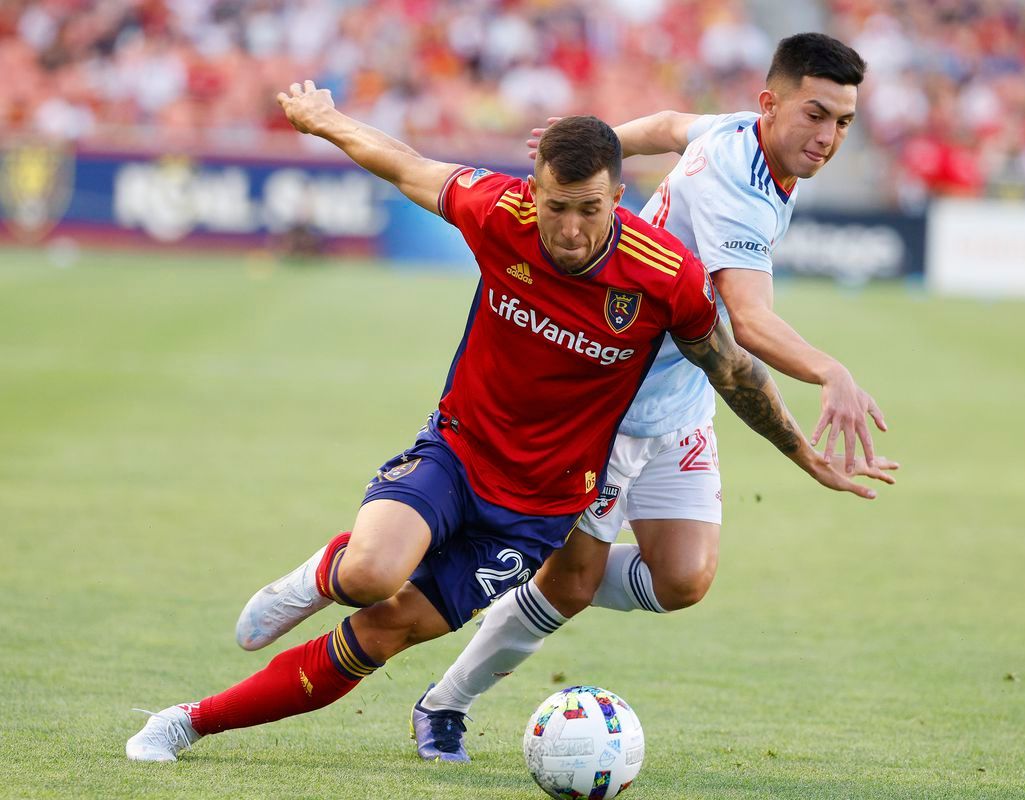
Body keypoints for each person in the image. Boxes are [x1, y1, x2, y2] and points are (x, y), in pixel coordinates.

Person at [125, 79, 893, 762]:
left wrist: (805, 455)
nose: (568, 230)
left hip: (536, 510)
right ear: (534, 190)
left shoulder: (667, 278)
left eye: (589, 211)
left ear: (617, 199)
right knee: (366, 576)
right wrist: (326, 120)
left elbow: (731, 370)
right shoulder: (498, 212)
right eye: (555, 208)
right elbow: (406, 164)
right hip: (460, 451)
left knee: (388, 630)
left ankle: (188, 723)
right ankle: (320, 573)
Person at [404, 33, 890, 763]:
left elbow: (666, 126)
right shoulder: (741, 190)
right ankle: (444, 704)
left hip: (680, 398)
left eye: (844, 122)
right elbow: (750, 321)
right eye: (816, 114)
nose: (828, 137)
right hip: (609, 404)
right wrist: (831, 371)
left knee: (684, 578)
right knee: (569, 588)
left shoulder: (740, 132)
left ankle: (536, 560)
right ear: (772, 102)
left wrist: (604, 146)